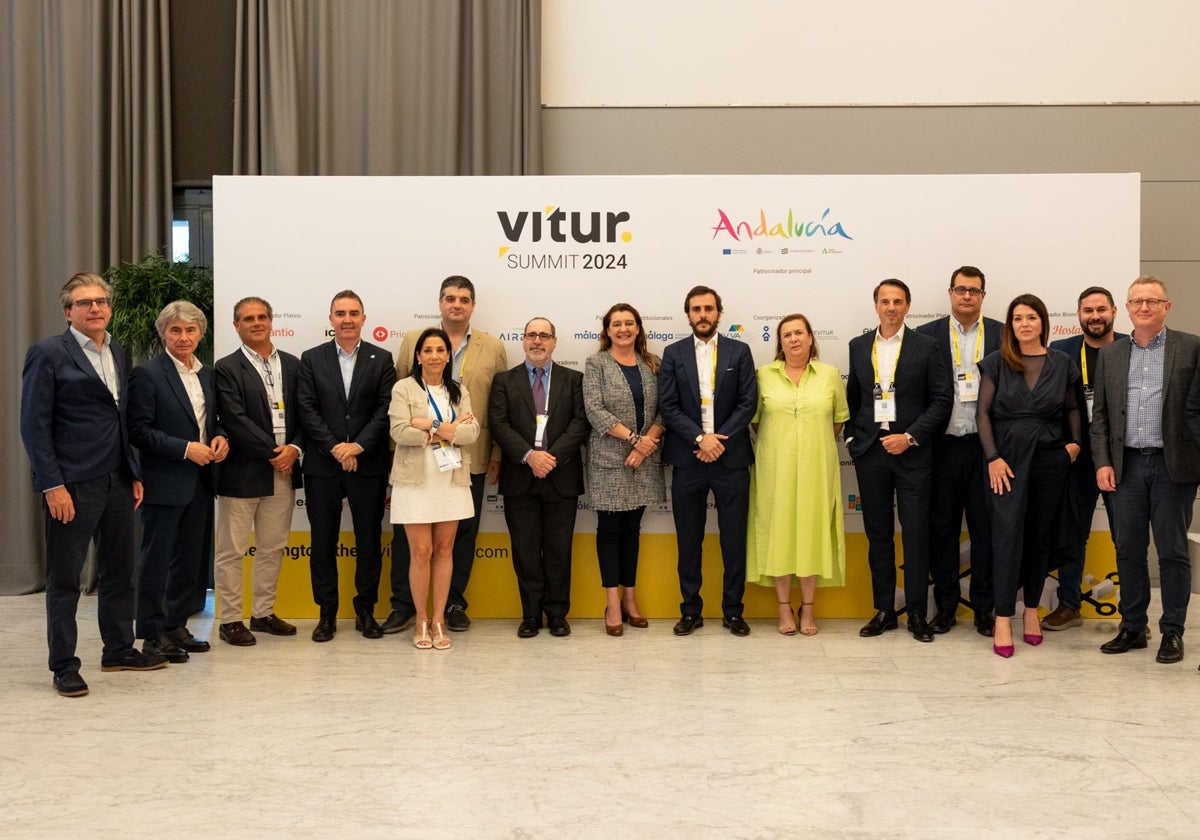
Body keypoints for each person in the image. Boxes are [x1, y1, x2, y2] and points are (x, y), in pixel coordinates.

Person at [20, 272, 168, 696]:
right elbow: (35, 425)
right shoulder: (47, 354)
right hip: (72, 483)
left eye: (101, 301)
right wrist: (52, 485)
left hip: (118, 479)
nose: (96, 308)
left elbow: (119, 419)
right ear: (68, 312)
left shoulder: (117, 351)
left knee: (120, 570)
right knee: (65, 579)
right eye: (85, 303)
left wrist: (134, 473)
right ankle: (64, 665)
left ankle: (119, 649)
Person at [384, 276, 508, 634]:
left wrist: (494, 451)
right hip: (414, 461)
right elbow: (399, 411)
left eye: (464, 299)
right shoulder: (412, 341)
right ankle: (405, 605)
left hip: (470, 458)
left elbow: (495, 409)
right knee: (409, 541)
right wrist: (404, 445)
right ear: (439, 303)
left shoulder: (494, 347)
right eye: (450, 298)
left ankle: (452, 604)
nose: (457, 304)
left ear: (473, 305)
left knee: (460, 537)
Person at [1092, 276, 1200, 665]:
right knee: (1129, 551)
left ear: (1166, 307)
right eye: (1137, 301)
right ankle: (1133, 627)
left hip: (1174, 466)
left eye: (1152, 301)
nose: (1144, 307)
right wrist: (1102, 461)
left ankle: (1172, 631)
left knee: (1172, 552)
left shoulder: (1191, 347)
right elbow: (1100, 416)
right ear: (1127, 307)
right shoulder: (1112, 354)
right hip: (1126, 467)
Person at [846, 279, 952, 642]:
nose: (891, 307)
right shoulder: (858, 346)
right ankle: (884, 611)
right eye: (884, 301)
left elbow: (941, 400)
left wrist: (909, 437)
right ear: (875, 305)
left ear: (908, 306)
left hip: (912, 453)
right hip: (871, 453)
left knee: (917, 534)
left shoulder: (927, 346)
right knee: (878, 535)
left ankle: (918, 614)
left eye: (898, 301)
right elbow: (855, 398)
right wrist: (852, 437)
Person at [977, 294, 1081, 658]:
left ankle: (1031, 610)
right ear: (1010, 325)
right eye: (1017, 318)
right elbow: (983, 413)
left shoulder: (1063, 362)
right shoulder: (996, 363)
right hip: (1006, 459)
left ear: (1042, 323)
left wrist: (1075, 445)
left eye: (1031, 317)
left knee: (1040, 535)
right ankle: (1003, 616)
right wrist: (992, 457)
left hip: (1050, 458)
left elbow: (1072, 407)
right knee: (1007, 536)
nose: (1024, 323)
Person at [128, 301, 228, 664]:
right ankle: (151, 635)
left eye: (190, 330)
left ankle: (175, 626)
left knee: (190, 560)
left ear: (200, 333)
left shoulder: (206, 373)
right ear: (163, 334)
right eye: (175, 330)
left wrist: (220, 438)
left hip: (202, 481)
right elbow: (138, 431)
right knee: (157, 560)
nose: (183, 337)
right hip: (164, 481)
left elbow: (212, 420)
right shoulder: (148, 374)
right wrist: (187, 449)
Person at [297, 290, 396, 642]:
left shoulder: (381, 358)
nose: (347, 319)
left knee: (369, 541)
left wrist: (358, 445)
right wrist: (337, 447)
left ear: (364, 318)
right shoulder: (312, 358)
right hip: (323, 465)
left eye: (354, 313)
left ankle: (365, 612)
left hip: (367, 464)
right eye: (340, 313)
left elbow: (386, 409)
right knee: (323, 542)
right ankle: (326, 615)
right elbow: (306, 408)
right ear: (331, 319)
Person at [659, 285, 757, 637]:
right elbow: (668, 406)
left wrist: (718, 441)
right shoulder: (673, 353)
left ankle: (733, 611)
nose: (703, 314)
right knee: (689, 540)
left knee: (733, 540)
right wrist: (701, 439)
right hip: (689, 459)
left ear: (719, 313)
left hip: (730, 459)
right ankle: (691, 611)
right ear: (688, 314)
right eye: (696, 309)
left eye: (709, 309)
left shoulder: (740, 351)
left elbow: (748, 403)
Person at [747, 313, 849, 636]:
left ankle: (807, 609)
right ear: (780, 342)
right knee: (778, 534)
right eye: (787, 334)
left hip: (816, 469)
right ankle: (782, 609)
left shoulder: (830, 375)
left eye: (799, 333)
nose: (793, 339)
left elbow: (838, 421)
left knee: (810, 535)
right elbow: (755, 421)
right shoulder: (763, 375)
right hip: (773, 469)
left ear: (810, 338)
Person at [914, 266, 1002, 636]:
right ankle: (946, 607)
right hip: (943, 446)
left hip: (987, 450)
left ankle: (984, 608)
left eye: (975, 291)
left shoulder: (1002, 333)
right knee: (943, 530)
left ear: (983, 295)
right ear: (950, 293)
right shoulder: (925, 335)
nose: (967, 296)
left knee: (985, 531)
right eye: (961, 290)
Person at [213, 296, 305, 646]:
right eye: (247, 318)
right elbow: (234, 420)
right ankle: (231, 619)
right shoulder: (226, 367)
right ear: (236, 326)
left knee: (272, 546)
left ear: (271, 321)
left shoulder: (294, 365)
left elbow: (306, 413)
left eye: (262, 317)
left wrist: (294, 449)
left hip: (284, 469)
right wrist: (274, 453)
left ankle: (263, 613)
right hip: (243, 471)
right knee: (232, 550)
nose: (256, 323)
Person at [490, 318, 590, 638]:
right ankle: (531, 615)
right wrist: (530, 455)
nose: (537, 341)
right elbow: (499, 423)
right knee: (525, 550)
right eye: (532, 335)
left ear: (554, 342)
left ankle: (558, 614)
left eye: (544, 335)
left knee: (559, 550)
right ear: (522, 340)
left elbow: (580, 422)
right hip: (521, 476)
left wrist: (551, 457)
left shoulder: (574, 379)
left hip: (561, 475)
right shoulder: (504, 381)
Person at [389, 327, 479, 650]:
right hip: (415, 482)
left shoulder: (458, 390)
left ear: (447, 356)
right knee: (421, 552)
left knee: (444, 550)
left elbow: (473, 432)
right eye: (427, 350)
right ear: (418, 356)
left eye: (440, 350)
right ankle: (421, 619)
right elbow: (400, 431)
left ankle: (439, 619)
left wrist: (428, 425)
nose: (434, 356)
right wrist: (448, 429)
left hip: (450, 480)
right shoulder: (404, 389)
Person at [1042, 286, 1124, 631]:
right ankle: (1069, 605)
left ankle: (1133, 614)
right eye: (1088, 311)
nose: (1095, 316)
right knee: (1072, 534)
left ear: (1114, 311)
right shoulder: (1061, 352)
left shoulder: (1130, 347)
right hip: (1076, 458)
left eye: (1101, 310)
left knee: (1126, 534)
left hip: (1120, 458)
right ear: (1078, 315)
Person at [582, 303, 665, 636]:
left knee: (633, 530)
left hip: (644, 460)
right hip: (609, 460)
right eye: (616, 324)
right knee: (610, 529)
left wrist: (646, 443)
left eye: (629, 323)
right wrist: (634, 439)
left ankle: (631, 600)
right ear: (607, 330)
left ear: (638, 328)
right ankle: (612, 604)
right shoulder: (596, 363)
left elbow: (664, 410)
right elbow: (594, 410)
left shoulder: (652, 364)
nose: (623, 329)